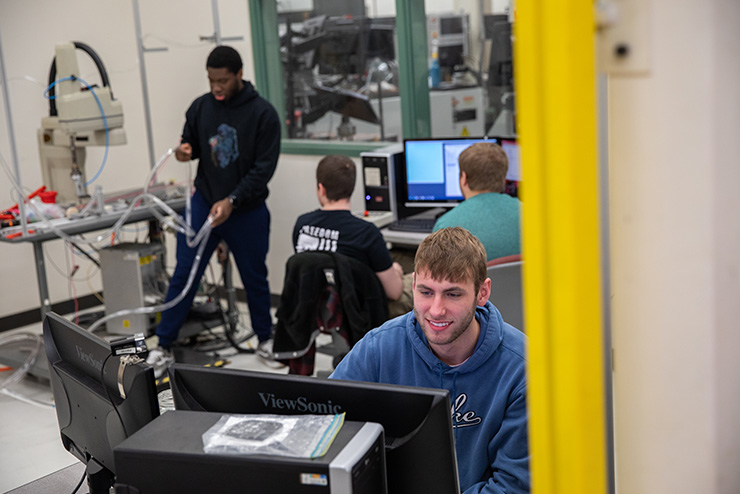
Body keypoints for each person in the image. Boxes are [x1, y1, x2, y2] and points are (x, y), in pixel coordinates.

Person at [330, 227, 529, 493]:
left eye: (453, 294)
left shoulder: (521, 368)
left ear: (482, 293)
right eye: (426, 292)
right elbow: (323, 427)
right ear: (412, 286)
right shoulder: (378, 348)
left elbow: (513, 486)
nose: (436, 310)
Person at [146, 45, 281, 377]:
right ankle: (163, 345)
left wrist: (232, 201)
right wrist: (183, 153)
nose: (216, 87)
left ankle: (265, 339)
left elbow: (263, 170)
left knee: (255, 278)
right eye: (211, 80)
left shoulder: (263, 114)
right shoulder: (200, 108)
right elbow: (188, 147)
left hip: (246, 210)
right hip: (204, 204)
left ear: (238, 75)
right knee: (184, 276)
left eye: (222, 80)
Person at [291, 155, 411, 313]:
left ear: (321, 188)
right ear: (351, 188)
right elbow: (394, 293)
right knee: (421, 281)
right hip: (361, 311)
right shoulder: (366, 233)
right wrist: (396, 271)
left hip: (315, 307)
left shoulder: (302, 225)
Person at [433, 142, 521, 261]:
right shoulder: (535, 215)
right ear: (503, 178)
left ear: (463, 178)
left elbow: (438, 276)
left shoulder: (445, 227)